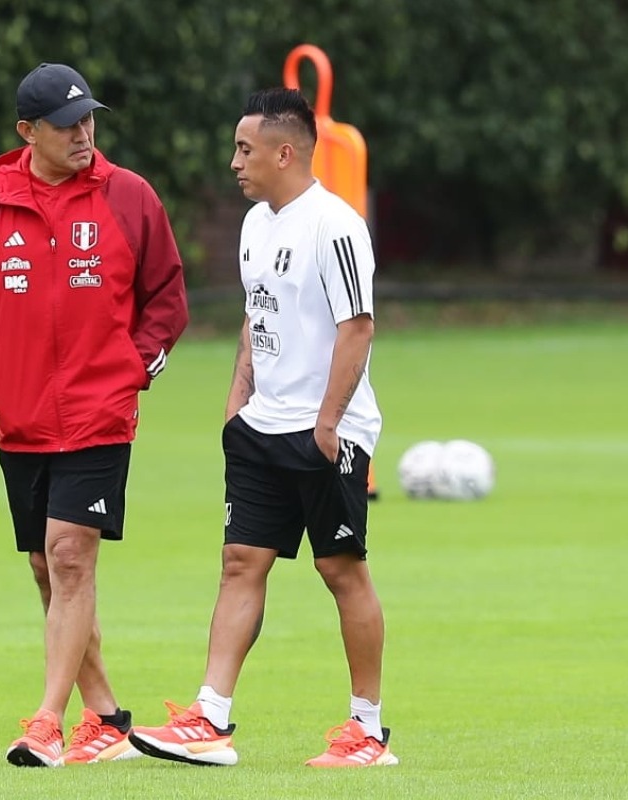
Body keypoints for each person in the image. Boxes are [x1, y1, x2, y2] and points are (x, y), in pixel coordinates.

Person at [129, 87, 396, 768]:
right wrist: (236, 402)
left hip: (324, 433)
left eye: (245, 150)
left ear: (286, 152)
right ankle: (210, 717)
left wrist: (329, 422)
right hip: (259, 429)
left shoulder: (333, 226)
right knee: (240, 562)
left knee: (342, 571)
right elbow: (257, 318)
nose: (234, 163)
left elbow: (356, 327)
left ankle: (367, 731)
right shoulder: (255, 225)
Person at [0, 62, 188, 767]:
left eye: (89, 119)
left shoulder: (130, 196)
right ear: (28, 131)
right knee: (47, 570)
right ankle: (108, 719)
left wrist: (132, 370)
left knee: (71, 556)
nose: (84, 134)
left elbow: (166, 299)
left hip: (98, 412)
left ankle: (46, 723)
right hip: (20, 418)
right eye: (66, 124)